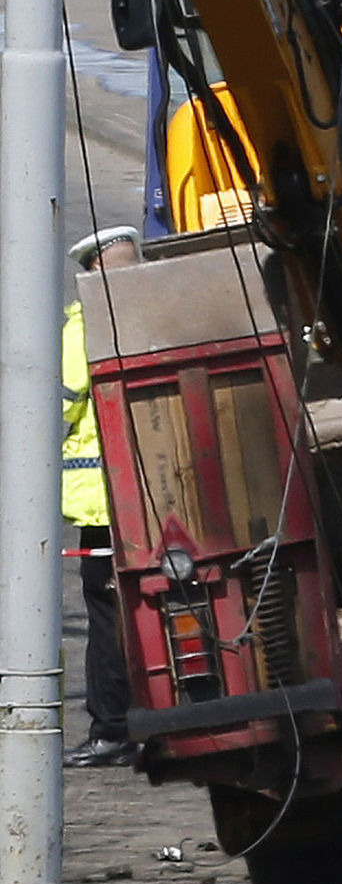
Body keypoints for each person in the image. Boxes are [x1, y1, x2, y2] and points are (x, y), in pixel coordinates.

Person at [63, 228, 140, 769]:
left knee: (107, 610)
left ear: (92, 272)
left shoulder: (84, 323)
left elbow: (60, 394)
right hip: (152, 493)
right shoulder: (153, 310)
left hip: (102, 502)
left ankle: (112, 729)